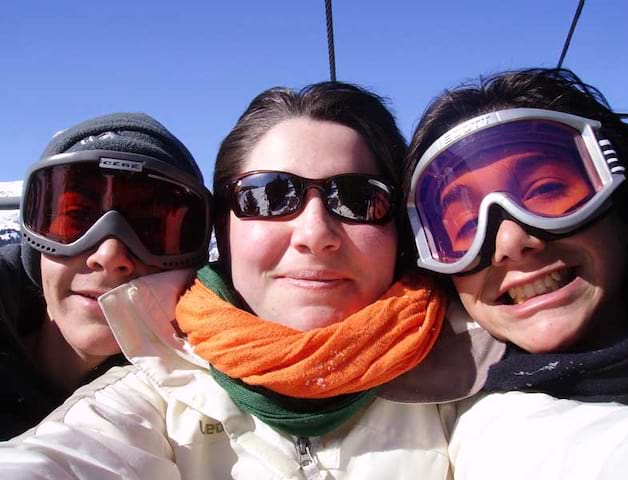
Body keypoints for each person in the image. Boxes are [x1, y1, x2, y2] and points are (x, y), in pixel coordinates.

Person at [0, 82, 458, 479]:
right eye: (269, 196)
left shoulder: (473, 377)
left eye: (358, 199)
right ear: (225, 230)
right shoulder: (158, 392)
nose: (316, 234)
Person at [406, 68, 628, 479]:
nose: (510, 240)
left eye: (546, 191)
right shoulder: (483, 430)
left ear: (625, 212)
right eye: (463, 227)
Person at [0, 112, 212, 440]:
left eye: (152, 230)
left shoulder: (198, 414)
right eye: (75, 220)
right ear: (35, 242)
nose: (109, 257)